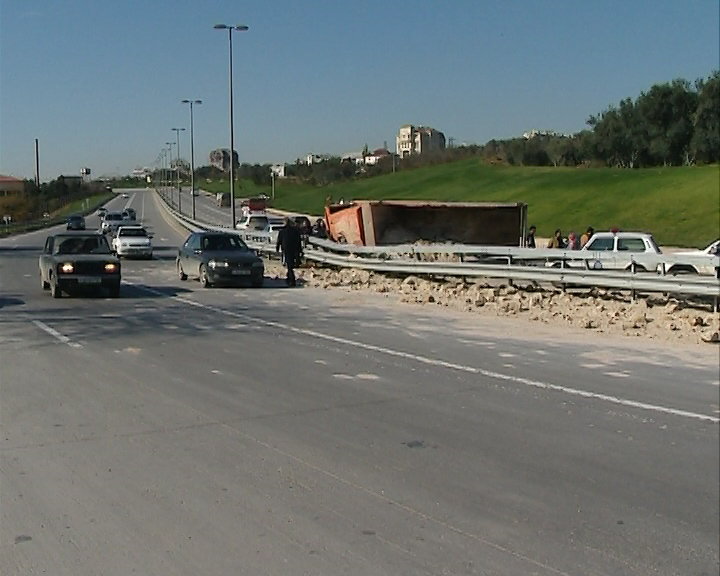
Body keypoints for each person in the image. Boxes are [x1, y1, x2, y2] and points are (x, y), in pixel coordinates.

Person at [276, 217, 303, 287]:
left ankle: (291, 280)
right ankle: (289, 278)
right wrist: (300, 250)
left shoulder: (282, 231)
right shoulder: (295, 230)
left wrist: (277, 249)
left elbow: (279, 241)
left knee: (289, 266)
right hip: (294, 250)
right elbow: (299, 241)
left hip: (286, 250)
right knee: (290, 265)